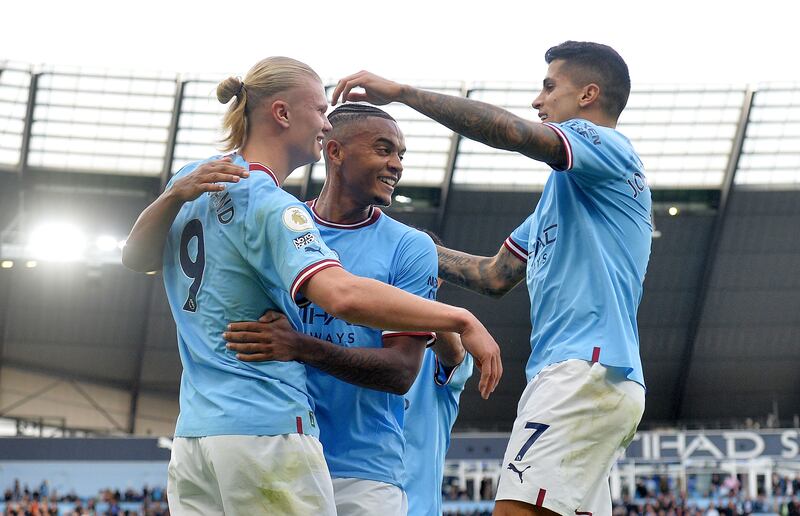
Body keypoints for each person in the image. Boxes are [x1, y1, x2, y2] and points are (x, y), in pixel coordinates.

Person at [122, 57, 501, 516]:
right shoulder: (277, 208)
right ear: (282, 114)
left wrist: (172, 193)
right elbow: (340, 295)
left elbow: (135, 259)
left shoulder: (196, 178)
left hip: (197, 437)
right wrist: (459, 316)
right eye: (320, 110)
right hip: (267, 427)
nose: (325, 124)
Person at [332, 40, 652, 516]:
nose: (537, 100)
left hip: (582, 370)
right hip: (595, 378)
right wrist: (397, 247)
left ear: (587, 95)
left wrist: (402, 93)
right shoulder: (563, 197)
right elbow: (493, 276)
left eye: (548, 87)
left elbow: (512, 133)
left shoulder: (605, 146)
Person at [225, 103, 438, 515]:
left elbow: (401, 371)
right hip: (278, 454)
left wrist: (301, 346)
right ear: (335, 151)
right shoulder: (280, 224)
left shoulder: (410, 247)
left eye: (400, 155)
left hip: (364, 472)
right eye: (383, 150)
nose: (396, 165)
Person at [401, 231, 474, 516]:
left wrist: (417, 292)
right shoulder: (360, 336)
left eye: (419, 263)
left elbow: (454, 355)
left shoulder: (443, 345)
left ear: (438, 278)